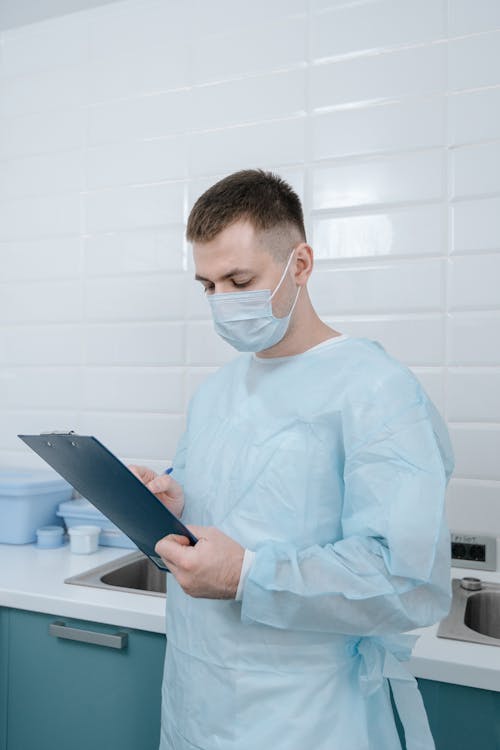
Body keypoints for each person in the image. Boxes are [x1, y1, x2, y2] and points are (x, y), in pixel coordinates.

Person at [129, 169, 454, 750]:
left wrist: (249, 575)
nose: (223, 303)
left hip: (304, 715)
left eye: (239, 279)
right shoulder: (218, 390)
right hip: (196, 698)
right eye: (208, 286)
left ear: (300, 264)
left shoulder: (376, 390)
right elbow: (246, 509)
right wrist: (178, 500)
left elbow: (406, 581)